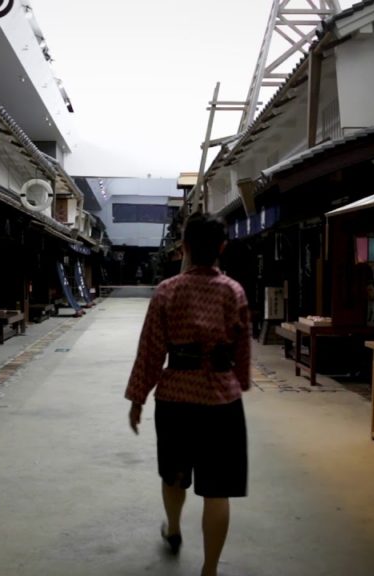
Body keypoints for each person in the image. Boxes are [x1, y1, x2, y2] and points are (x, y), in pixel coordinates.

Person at [125, 212, 251, 576]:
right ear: (221, 248)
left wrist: (138, 397)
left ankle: (175, 529)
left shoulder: (168, 291)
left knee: (174, 474)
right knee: (218, 489)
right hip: (221, 401)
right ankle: (209, 570)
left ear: (185, 247)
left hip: (176, 397)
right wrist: (238, 380)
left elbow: (150, 350)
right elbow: (242, 347)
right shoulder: (234, 291)